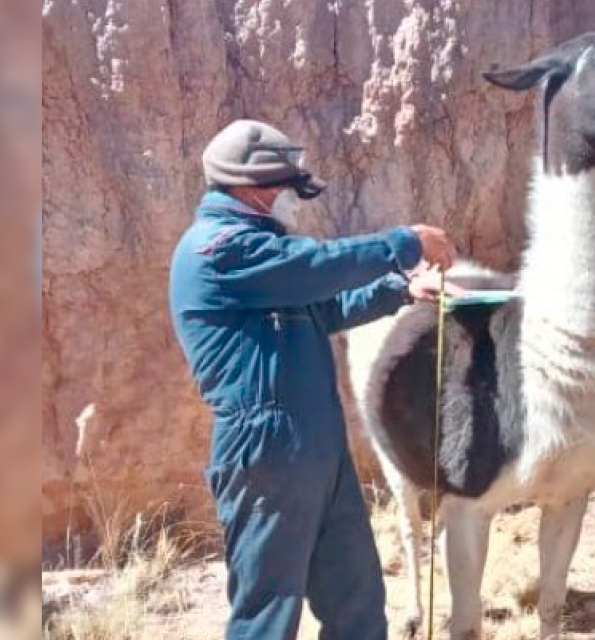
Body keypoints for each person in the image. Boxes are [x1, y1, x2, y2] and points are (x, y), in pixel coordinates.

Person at [168, 119, 460, 640]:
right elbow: (317, 266)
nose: (294, 202)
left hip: (316, 449)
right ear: (253, 186)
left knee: (358, 603)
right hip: (266, 450)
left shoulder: (265, 253)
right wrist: (405, 243)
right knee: (268, 614)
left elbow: (325, 306)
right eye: (288, 189)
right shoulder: (219, 249)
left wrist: (400, 291)